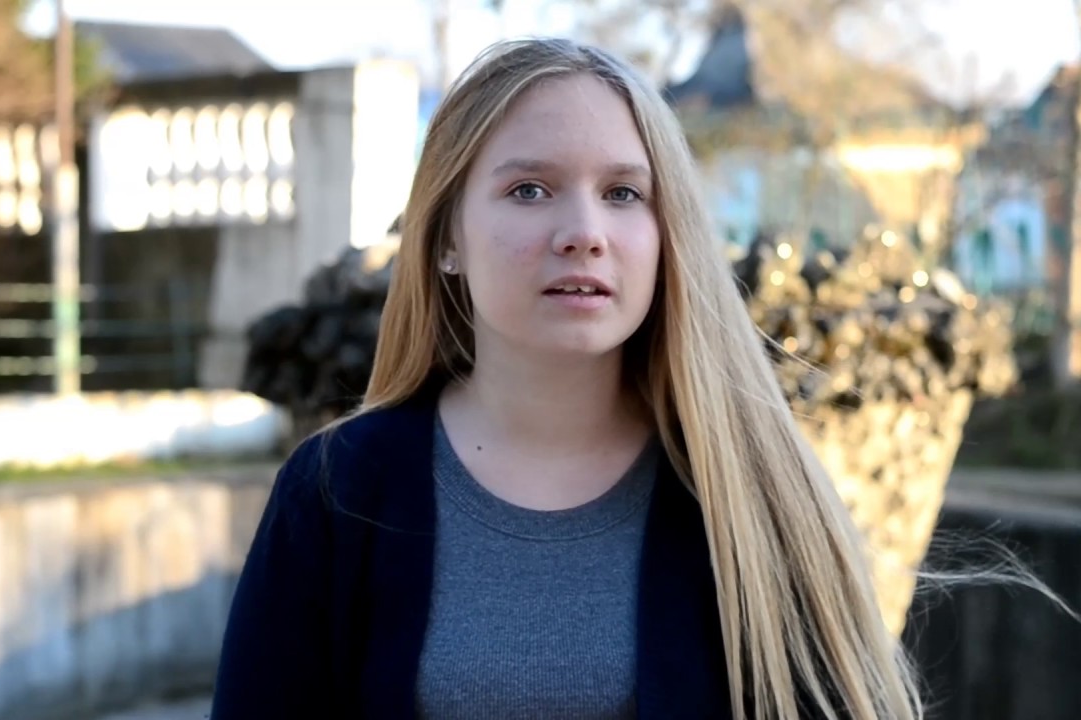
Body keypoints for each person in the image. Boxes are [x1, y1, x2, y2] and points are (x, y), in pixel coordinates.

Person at [209, 37, 924, 720]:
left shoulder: (746, 487)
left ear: (668, 232)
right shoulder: (336, 489)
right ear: (448, 236)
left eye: (623, 193)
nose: (584, 232)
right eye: (529, 190)